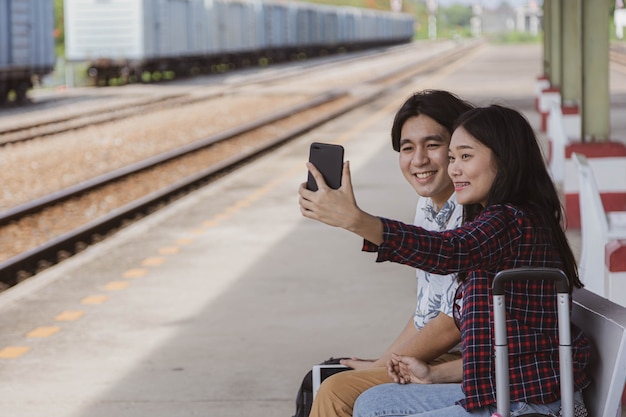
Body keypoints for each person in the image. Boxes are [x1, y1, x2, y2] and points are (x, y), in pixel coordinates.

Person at [298, 104, 590, 416]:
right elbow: (510, 351)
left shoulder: (510, 220)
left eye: (465, 156)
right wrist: (433, 374)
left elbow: (448, 251)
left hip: (528, 404)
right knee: (373, 402)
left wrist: (356, 221)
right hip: (507, 390)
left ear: (505, 160)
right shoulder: (505, 219)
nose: (454, 169)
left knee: (371, 408)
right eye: (452, 158)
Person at [308, 90, 474, 417]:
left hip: (464, 360)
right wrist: (383, 360)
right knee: (329, 376)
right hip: (446, 357)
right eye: (408, 147)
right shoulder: (427, 206)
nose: (419, 160)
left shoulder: (474, 213)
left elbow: (450, 323)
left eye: (433, 144)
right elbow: (426, 312)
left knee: (337, 391)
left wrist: (384, 366)